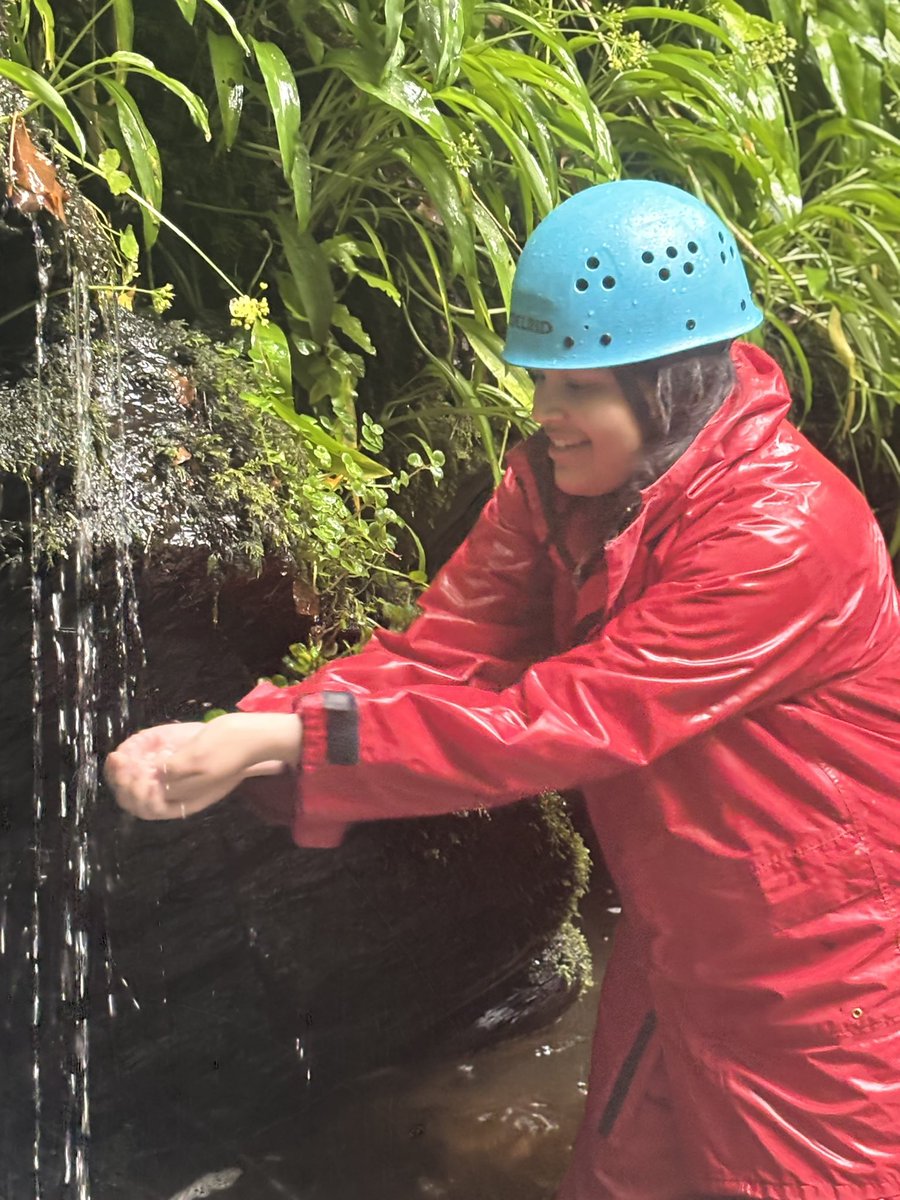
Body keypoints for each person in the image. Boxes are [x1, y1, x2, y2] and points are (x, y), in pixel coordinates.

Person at [106, 180, 900, 1199]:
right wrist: (251, 727)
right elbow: (440, 656)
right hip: (675, 940)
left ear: (675, 383)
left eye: (581, 389)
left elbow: (558, 723)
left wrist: (291, 750)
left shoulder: (780, 537)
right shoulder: (563, 492)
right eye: (544, 383)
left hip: (822, 974)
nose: (548, 416)